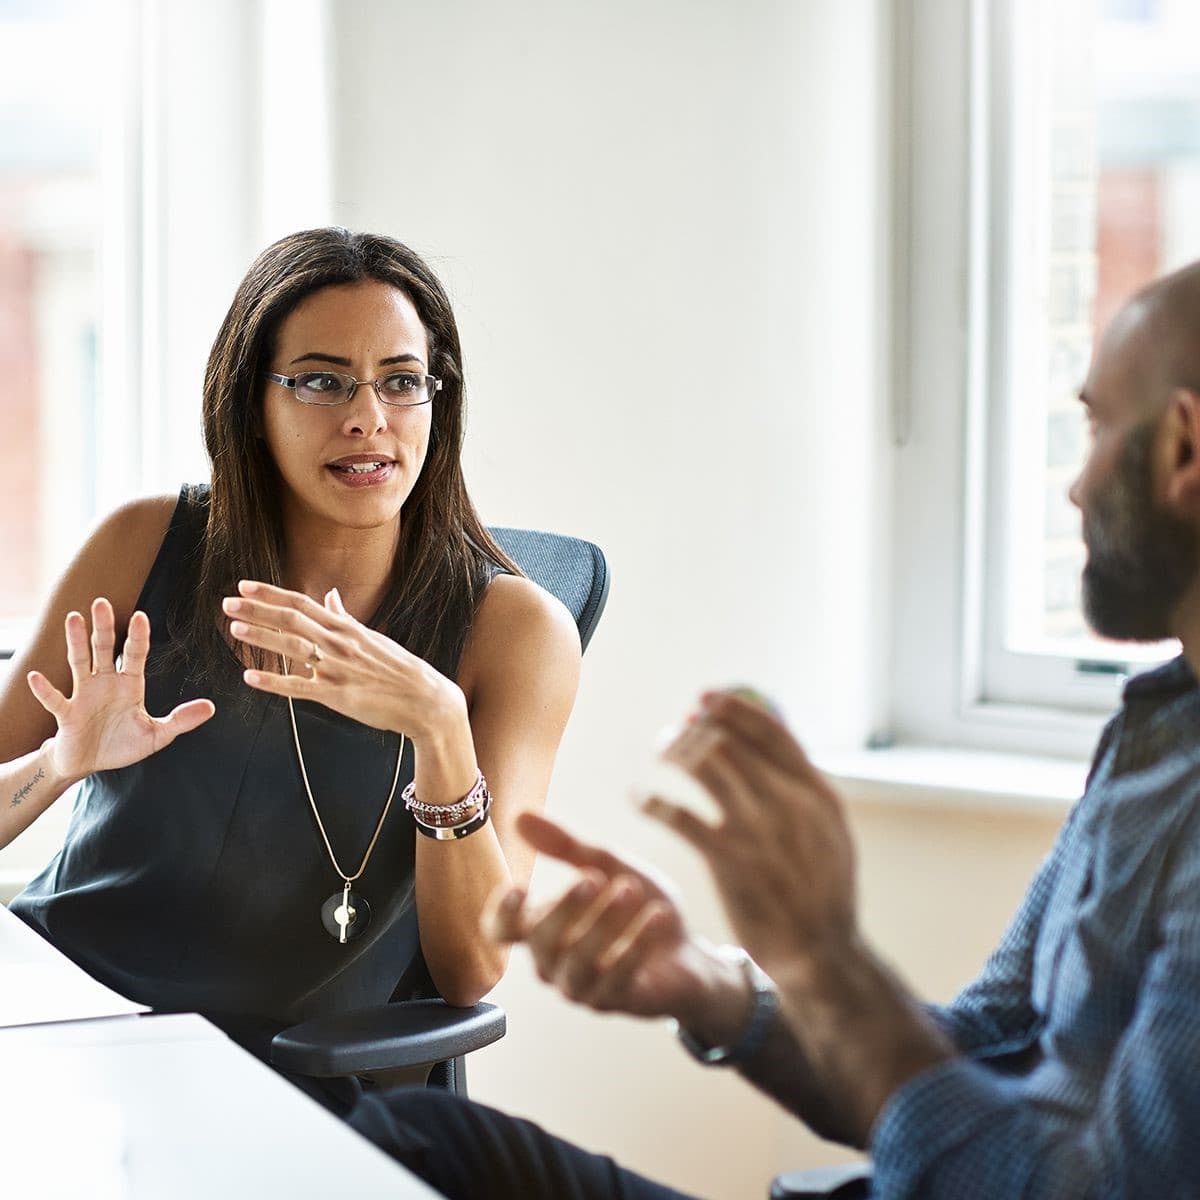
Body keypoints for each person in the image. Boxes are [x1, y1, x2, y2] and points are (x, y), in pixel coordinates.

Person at [344, 261, 1200, 1198]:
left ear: (1182, 452)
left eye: (1099, 426)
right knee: (410, 1139)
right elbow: (978, 1057)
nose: (1075, 489)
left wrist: (822, 951)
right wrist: (710, 988)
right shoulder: (1159, 730)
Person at [0, 228, 581, 1085]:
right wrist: (58, 763)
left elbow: (472, 970)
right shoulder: (141, 543)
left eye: (401, 381)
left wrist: (440, 730)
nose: (366, 418)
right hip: (72, 1028)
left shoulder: (515, 631)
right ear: (252, 403)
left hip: (289, 1075)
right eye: (320, 380)